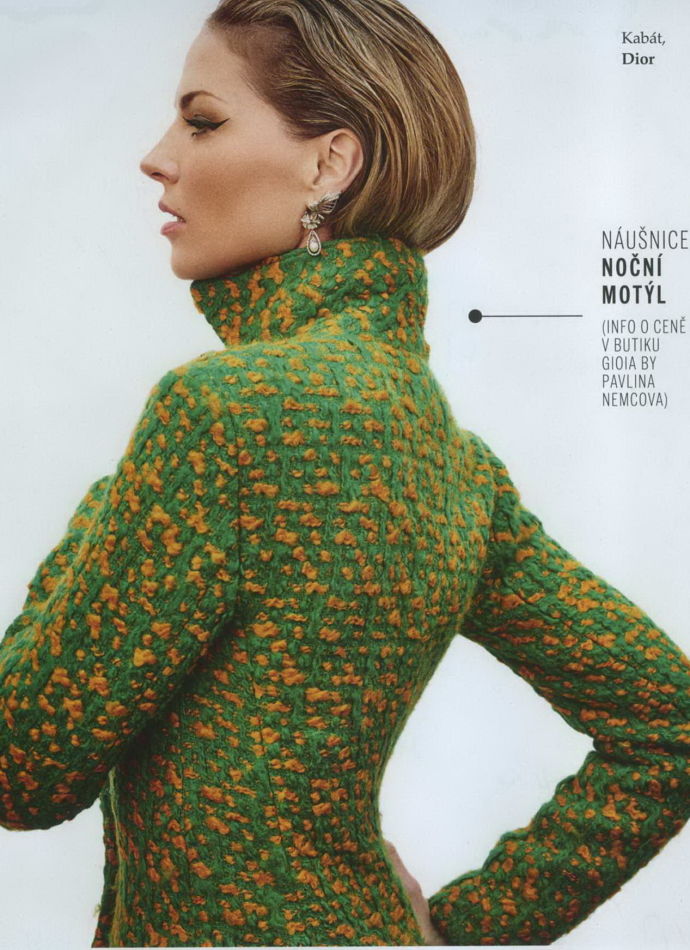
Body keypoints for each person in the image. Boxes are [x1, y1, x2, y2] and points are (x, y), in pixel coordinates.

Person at [1, 0, 689, 946]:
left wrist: (110, 509)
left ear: (330, 164)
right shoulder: (457, 468)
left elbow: (23, 768)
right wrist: (454, 936)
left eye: (203, 121)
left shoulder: (221, 415)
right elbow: (670, 724)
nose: (157, 157)